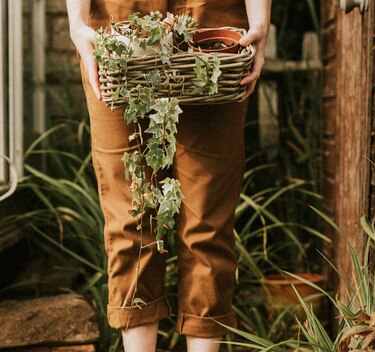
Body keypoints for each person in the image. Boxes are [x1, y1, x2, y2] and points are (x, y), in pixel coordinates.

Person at [66, 1, 271, 351]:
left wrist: (260, 23)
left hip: (212, 30)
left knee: (207, 221)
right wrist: (77, 24)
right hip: (118, 34)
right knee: (132, 216)